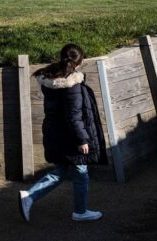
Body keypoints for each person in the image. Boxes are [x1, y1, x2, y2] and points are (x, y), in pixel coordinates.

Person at [18, 43, 107, 223]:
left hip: (55, 132)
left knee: (61, 170)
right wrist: (83, 139)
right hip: (70, 136)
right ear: (80, 61)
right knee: (81, 171)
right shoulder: (72, 84)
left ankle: (29, 197)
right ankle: (80, 211)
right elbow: (74, 116)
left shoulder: (51, 77)